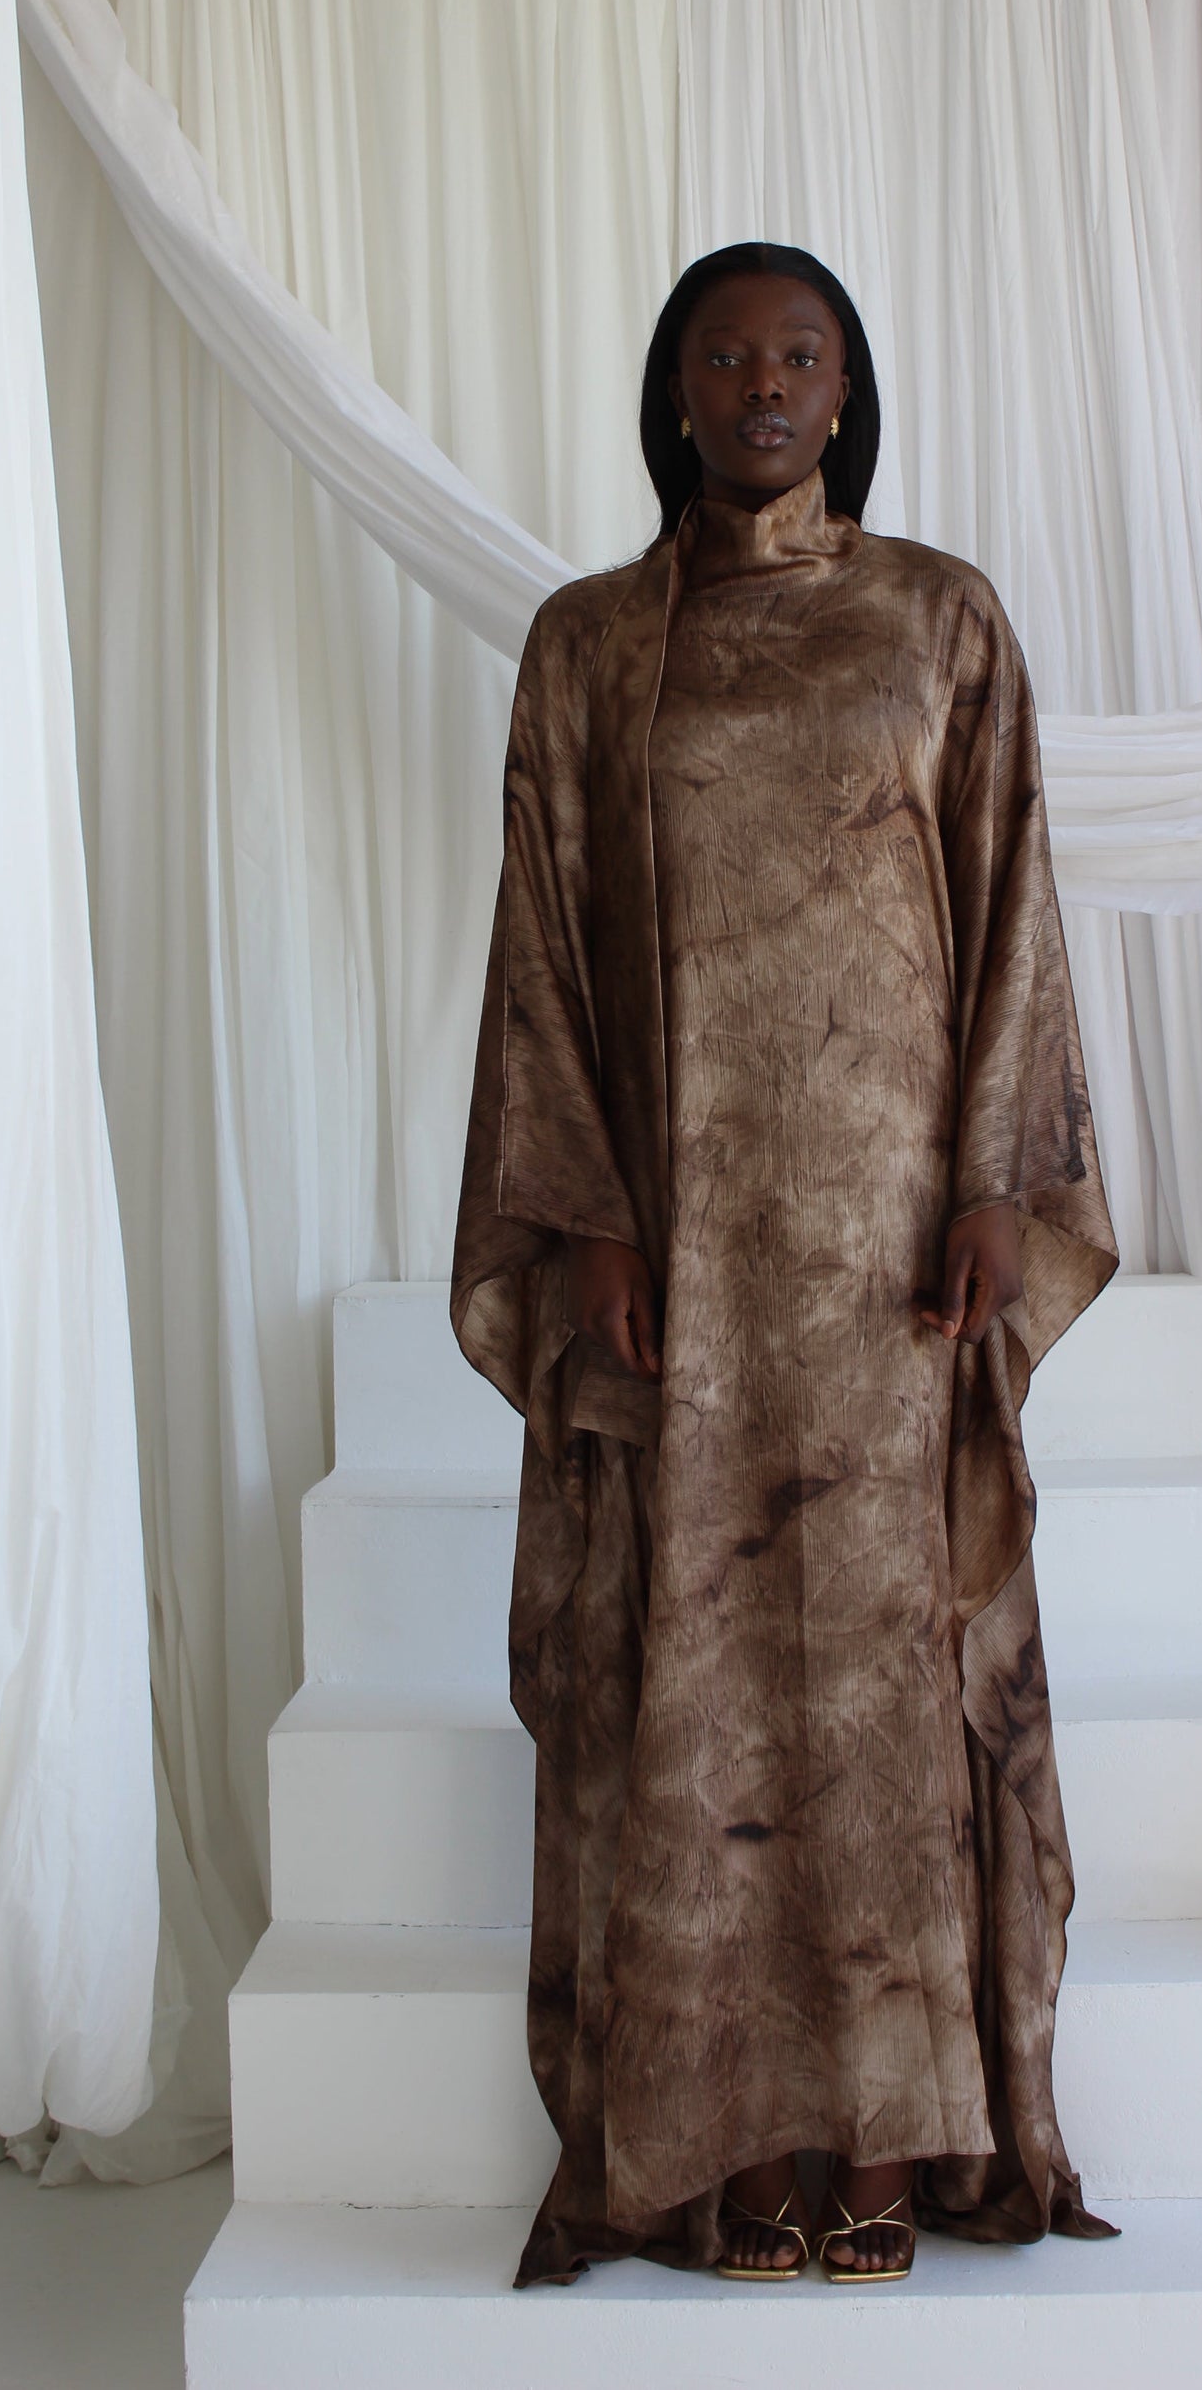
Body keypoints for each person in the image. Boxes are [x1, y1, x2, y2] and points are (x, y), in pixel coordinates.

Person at [452, 240, 1119, 2287]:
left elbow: (1010, 902)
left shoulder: (940, 617)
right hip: (684, 1267)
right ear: (676, 391)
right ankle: (722, 2136)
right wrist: (592, 1217)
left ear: (845, 390)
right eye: (727, 353)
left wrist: (996, 1181)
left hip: (892, 1268)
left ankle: (893, 2131)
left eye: (799, 353)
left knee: (887, 1683)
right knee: (706, 1684)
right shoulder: (590, 645)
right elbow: (545, 949)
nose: (762, 383)